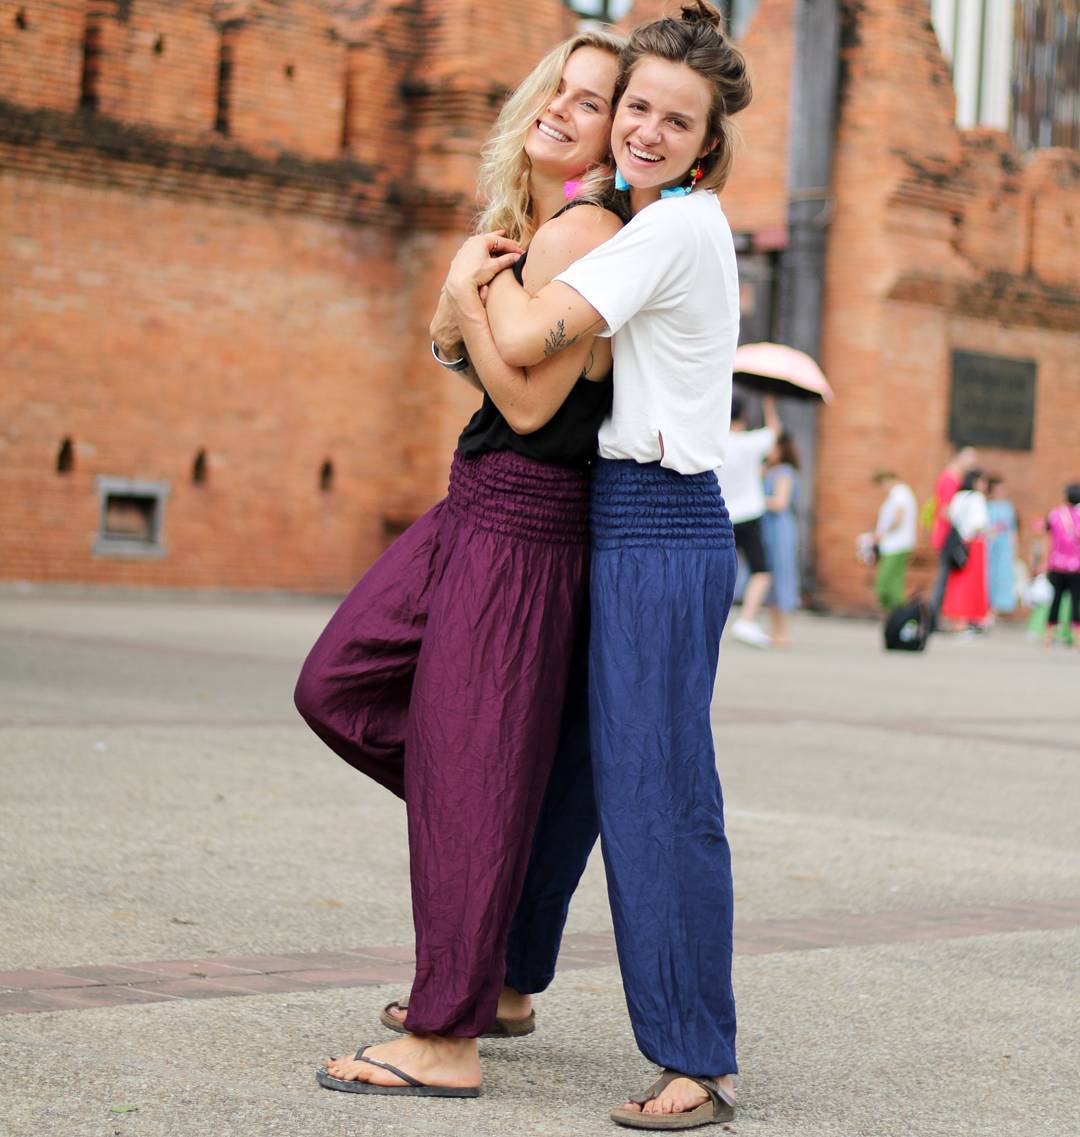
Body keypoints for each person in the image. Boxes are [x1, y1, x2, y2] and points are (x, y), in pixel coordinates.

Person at [295, 31, 625, 1098]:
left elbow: (527, 406)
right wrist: (460, 319)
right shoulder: (537, 225)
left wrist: (458, 297)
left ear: (621, 139)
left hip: (521, 525)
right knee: (341, 686)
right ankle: (488, 845)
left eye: (594, 103)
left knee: (468, 772)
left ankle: (447, 1037)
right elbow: (481, 371)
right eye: (561, 90)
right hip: (472, 507)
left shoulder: (584, 231)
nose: (565, 112)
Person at [447, 3, 751, 1126]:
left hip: (662, 527)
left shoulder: (671, 229)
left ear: (707, 144)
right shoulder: (649, 223)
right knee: (574, 769)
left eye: (678, 120)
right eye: (638, 108)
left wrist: (465, 291)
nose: (647, 131)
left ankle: (698, 1058)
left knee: (657, 793)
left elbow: (528, 345)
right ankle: (512, 983)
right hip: (618, 517)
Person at [723, 393, 782, 647]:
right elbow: (775, 432)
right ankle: (746, 620)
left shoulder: (716, 443)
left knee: (722, 570)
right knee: (761, 571)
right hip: (748, 514)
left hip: (722, 514)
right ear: (744, 416)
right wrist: (769, 405)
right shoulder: (749, 443)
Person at [928, 444, 978, 630]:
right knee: (943, 577)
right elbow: (945, 510)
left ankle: (937, 618)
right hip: (948, 534)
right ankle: (933, 619)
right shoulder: (950, 479)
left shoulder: (952, 478)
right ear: (959, 458)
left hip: (949, 533)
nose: (972, 463)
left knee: (946, 577)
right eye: (970, 458)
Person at [761, 432, 800, 645]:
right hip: (768, 527)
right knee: (769, 578)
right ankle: (774, 630)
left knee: (782, 573)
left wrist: (757, 500)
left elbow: (780, 502)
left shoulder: (784, 472)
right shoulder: (769, 470)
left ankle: (783, 631)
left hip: (780, 528)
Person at [941, 468, 990, 631]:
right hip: (974, 544)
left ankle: (955, 620)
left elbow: (948, 515)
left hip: (957, 543)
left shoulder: (958, 496)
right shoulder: (977, 498)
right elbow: (979, 524)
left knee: (956, 582)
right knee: (972, 584)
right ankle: (967, 621)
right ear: (976, 482)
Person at [871, 469, 917, 611]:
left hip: (896, 545)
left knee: (886, 584)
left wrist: (882, 532)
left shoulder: (899, 492)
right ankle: (896, 616)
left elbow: (898, 517)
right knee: (892, 583)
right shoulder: (898, 494)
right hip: (894, 545)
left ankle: (901, 614)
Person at [1042, 482, 1080, 647]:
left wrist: (1044, 561)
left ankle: (1049, 636)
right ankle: (1077, 638)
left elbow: (1046, 536)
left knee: (1055, 600)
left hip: (1056, 565)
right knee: (1076, 602)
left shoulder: (1055, 514)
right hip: (1076, 567)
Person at [986, 475, 1018, 615]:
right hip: (991, 545)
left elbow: (1012, 529)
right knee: (989, 575)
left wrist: (1014, 548)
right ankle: (988, 606)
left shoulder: (1008, 507)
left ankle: (997, 608)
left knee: (1002, 576)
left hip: (1004, 547)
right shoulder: (987, 506)